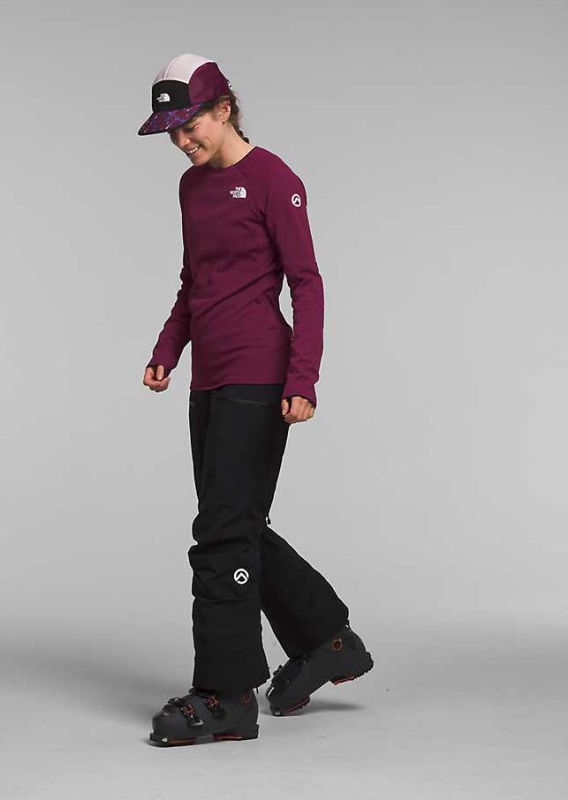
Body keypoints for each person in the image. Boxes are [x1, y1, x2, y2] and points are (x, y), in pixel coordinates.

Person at [138, 54, 373, 747]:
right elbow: (194, 281)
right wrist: (167, 348)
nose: (182, 141)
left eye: (191, 125)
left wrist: (303, 378)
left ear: (224, 109)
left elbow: (307, 282)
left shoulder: (274, 179)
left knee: (221, 534)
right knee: (232, 522)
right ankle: (327, 639)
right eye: (172, 131)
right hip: (208, 377)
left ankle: (225, 694)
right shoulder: (191, 188)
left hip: (260, 372)